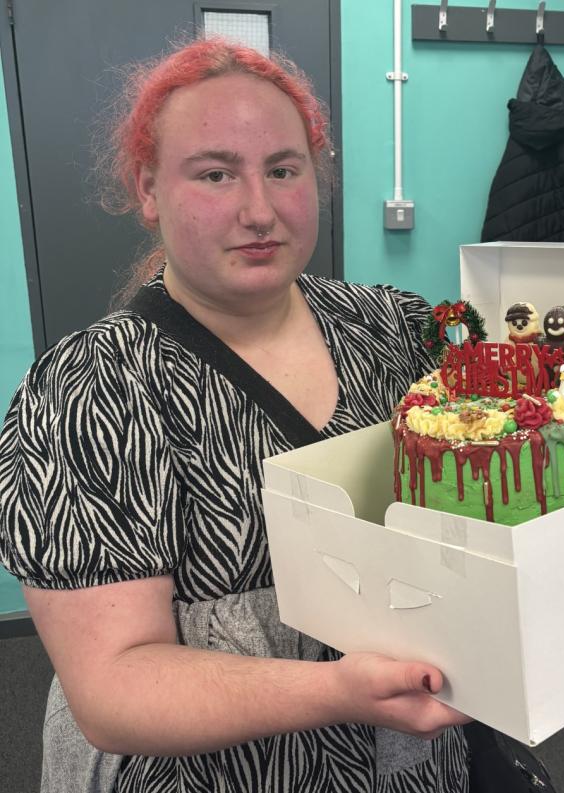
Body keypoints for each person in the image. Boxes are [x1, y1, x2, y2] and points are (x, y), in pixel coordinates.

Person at [0, 38, 470, 793]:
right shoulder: (92, 391)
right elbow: (113, 688)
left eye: (283, 170)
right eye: (216, 174)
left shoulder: (397, 331)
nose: (260, 209)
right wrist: (336, 693)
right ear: (149, 190)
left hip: (415, 761)